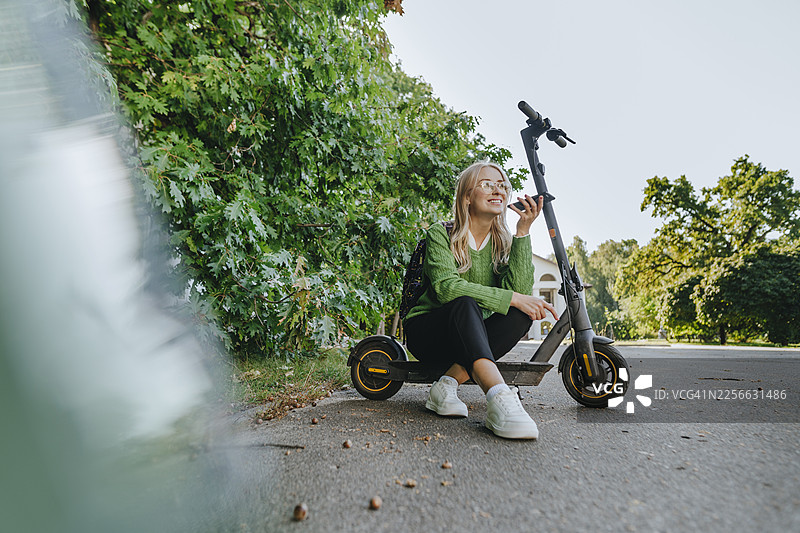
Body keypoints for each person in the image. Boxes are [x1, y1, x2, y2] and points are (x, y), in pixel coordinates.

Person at [404, 161, 558, 439]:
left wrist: (522, 232)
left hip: (471, 339)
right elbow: (447, 289)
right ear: (467, 196)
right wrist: (511, 298)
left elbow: (519, 293)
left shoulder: (504, 243)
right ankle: (499, 396)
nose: (497, 189)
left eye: (502, 185)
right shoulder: (441, 233)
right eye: (487, 184)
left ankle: (447, 384)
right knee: (465, 301)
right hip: (429, 333)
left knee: (521, 313)